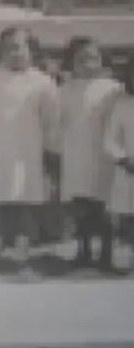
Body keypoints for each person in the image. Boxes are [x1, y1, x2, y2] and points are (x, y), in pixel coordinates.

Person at [0, 28, 58, 271]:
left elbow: (50, 120)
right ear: (0, 52)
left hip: (28, 149)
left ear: (31, 50)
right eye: (9, 48)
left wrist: (50, 149)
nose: (15, 53)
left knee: (25, 199)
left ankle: (22, 244)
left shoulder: (43, 82)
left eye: (20, 47)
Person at [56, 36, 122, 270]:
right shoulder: (64, 90)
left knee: (104, 207)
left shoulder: (113, 89)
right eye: (81, 60)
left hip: (104, 154)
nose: (87, 64)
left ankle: (106, 255)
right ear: (71, 62)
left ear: (102, 60)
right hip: (75, 154)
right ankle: (83, 253)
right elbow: (59, 122)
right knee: (80, 206)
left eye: (93, 59)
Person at [104, 58, 134, 274]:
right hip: (129, 168)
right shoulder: (122, 103)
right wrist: (123, 158)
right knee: (128, 215)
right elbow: (110, 138)